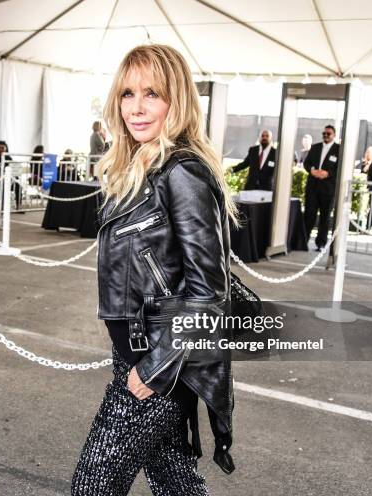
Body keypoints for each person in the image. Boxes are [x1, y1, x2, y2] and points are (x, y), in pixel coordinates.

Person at [71, 44, 238, 495]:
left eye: (152, 94)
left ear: (176, 100)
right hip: (136, 354)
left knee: (93, 486)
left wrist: (154, 370)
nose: (137, 107)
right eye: (127, 93)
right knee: (176, 485)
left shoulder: (182, 173)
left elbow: (209, 294)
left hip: (162, 364)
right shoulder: (137, 167)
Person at [303, 124, 340, 250]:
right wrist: (312, 170)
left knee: (325, 218)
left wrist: (328, 173)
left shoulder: (339, 149)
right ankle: (304, 241)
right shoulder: (315, 147)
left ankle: (321, 243)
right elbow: (307, 163)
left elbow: (339, 169)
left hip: (328, 189)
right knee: (309, 215)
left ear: (334, 135)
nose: (325, 135)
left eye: (328, 134)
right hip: (313, 187)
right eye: (324, 133)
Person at [0, 139, 20, 208]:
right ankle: (3, 206)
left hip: (7, 179)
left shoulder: (8, 158)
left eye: (2, 148)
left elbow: (14, 170)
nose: (0, 150)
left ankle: (18, 205)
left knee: (18, 184)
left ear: (5, 149)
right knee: (3, 184)